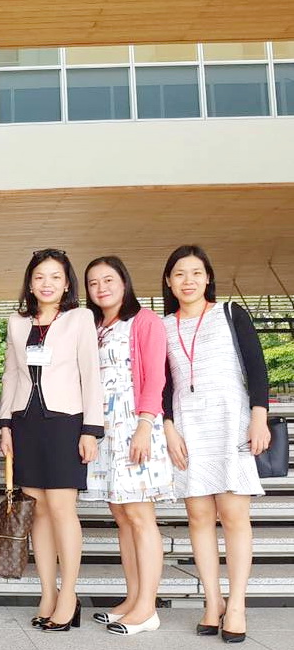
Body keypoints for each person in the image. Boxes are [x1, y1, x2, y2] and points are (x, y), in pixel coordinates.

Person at [161, 245, 270, 643]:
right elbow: (162, 384)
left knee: (234, 515)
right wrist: (168, 427)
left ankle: (237, 604)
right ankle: (212, 601)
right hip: (187, 427)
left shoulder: (230, 312)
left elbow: (257, 368)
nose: (188, 281)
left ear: (207, 278)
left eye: (196, 273)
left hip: (230, 423)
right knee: (198, 516)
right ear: (169, 281)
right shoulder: (163, 326)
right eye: (179, 274)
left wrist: (259, 417)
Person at [0, 248, 102, 633]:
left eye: (55, 277)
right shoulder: (17, 322)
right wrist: (5, 424)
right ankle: (47, 593)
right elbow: (11, 374)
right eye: (40, 277)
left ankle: (69, 595)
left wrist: (91, 429)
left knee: (61, 509)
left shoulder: (80, 318)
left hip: (65, 422)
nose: (47, 283)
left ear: (67, 283)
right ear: (30, 283)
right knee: (37, 512)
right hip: (26, 423)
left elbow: (91, 374)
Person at [80, 257, 174, 636]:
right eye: (93, 282)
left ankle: (148, 608)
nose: (101, 288)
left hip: (135, 426)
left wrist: (145, 426)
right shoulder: (94, 326)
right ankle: (133, 599)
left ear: (124, 282)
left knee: (140, 516)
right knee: (121, 516)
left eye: (108, 280)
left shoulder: (145, 321)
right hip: (104, 431)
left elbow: (156, 379)